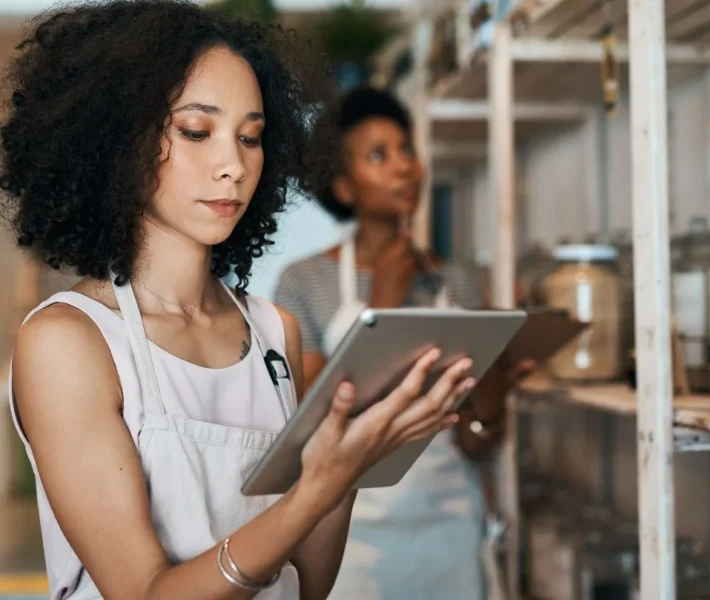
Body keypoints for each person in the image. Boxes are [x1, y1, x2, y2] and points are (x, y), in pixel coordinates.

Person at [0, 4, 478, 599]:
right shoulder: (69, 342)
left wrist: (347, 465)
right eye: (197, 131)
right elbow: (146, 593)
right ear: (119, 141)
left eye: (250, 137)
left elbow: (309, 582)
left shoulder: (275, 333)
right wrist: (315, 489)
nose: (233, 165)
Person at [274, 86, 534, 600]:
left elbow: (476, 444)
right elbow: (312, 422)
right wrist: (386, 305)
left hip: (450, 526)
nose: (404, 168)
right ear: (344, 187)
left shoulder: (454, 283)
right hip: (351, 534)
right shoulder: (303, 282)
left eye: (406, 150)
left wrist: (495, 390)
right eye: (378, 155)